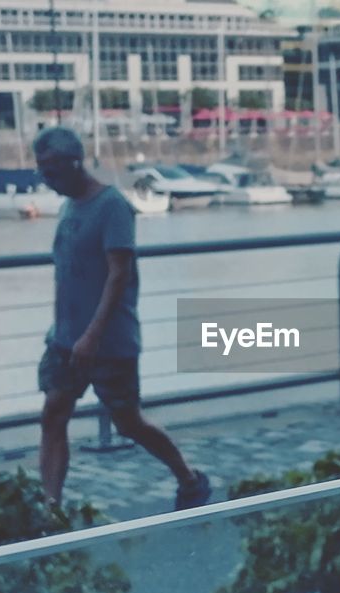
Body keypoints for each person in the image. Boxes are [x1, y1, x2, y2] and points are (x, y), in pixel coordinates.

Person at [32, 127, 210, 510]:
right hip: (64, 338)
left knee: (128, 423)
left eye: (51, 172)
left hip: (107, 340)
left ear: (74, 163)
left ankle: (189, 478)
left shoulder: (112, 206)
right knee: (54, 413)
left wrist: (93, 335)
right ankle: (50, 510)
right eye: (41, 172)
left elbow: (119, 274)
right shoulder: (68, 206)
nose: (46, 180)